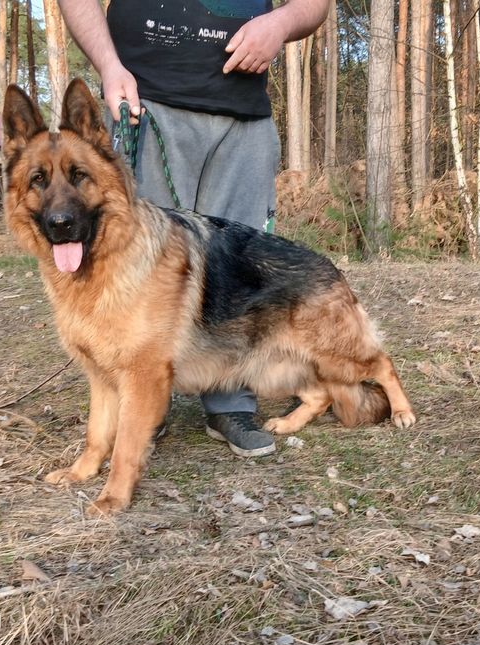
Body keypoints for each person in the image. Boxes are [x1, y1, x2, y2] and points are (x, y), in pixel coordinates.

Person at [58, 0, 329, 458]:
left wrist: (279, 23)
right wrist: (108, 65)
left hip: (243, 115)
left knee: (237, 272)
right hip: (145, 104)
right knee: (138, 273)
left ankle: (230, 404)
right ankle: (139, 406)